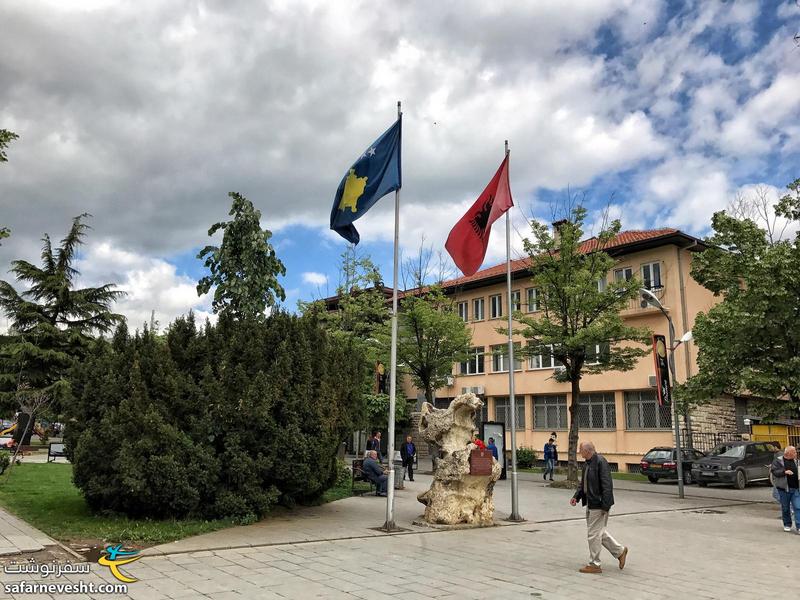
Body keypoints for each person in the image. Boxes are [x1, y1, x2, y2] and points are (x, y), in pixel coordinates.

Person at [570, 441, 628, 574]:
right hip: (590, 503)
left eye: (581, 450)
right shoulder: (587, 464)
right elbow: (583, 484)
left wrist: (605, 506)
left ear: (587, 451)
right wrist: (576, 497)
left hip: (599, 504)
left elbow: (607, 485)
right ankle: (620, 551)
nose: (579, 452)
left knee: (593, 534)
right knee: (597, 532)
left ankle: (594, 564)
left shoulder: (600, 462)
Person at [771, 445, 800, 533]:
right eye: (794, 452)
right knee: (786, 508)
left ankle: (799, 526)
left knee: (798, 507)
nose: (796, 453)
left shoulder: (796, 461)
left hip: (795, 489)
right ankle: (787, 524)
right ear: (789, 453)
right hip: (784, 489)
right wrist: (784, 472)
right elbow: (774, 471)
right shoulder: (778, 461)